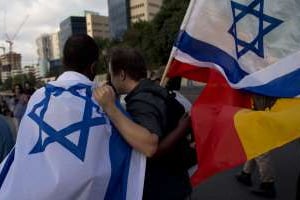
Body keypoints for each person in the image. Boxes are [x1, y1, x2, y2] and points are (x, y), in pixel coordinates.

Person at [0, 35, 146, 200]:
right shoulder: (105, 99)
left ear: (64, 62)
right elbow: (132, 146)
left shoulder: (37, 98)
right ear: (93, 67)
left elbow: (24, 147)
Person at [94, 47, 192, 200]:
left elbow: (149, 146)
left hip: (164, 189)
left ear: (122, 75)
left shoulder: (142, 100)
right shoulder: (152, 91)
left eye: (112, 74)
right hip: (176, 183)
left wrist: (110, 107)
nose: (111, 79)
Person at [236, 94, 277, 198]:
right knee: (254, 147)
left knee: (262, 153)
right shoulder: (267, 82)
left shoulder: (261, 84)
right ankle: (246, 173)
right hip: (264, 116)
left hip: (261, 118)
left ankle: (268, 185)